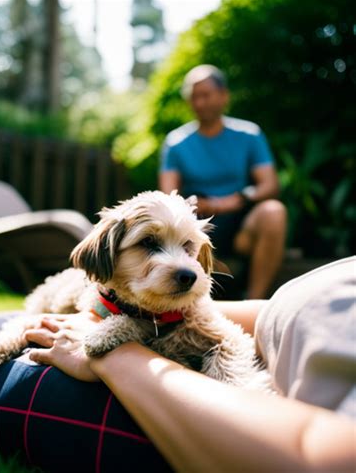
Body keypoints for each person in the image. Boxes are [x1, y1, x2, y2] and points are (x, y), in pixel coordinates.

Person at [25, 257, 356, 472]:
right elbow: (276, 315)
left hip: (177, 402)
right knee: (24, 326)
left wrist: (114, 352)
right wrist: (153, 311)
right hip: (134, 334)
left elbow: (313, 459)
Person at [159, 64, 287, 299]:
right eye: (194, 97)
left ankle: (254, 303)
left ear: (223, 95)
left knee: (274, 211)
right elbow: (169, 194)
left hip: (241, 225)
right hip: (195, 225)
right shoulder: (175, 142)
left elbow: (270, 185)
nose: (199, 103)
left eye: (206, 95)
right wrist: (191, 204)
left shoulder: (249, 135)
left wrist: (233, 200)